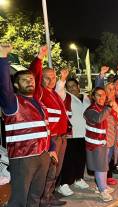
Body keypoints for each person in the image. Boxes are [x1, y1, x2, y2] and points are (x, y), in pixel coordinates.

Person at [0, 45, 53, 206]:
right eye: (24, 80)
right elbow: (3, 86)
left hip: (43, 155)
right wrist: (3, 57)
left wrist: (51, 148)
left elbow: (45, 129)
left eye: (31, 79)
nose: (30, 81)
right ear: (16, 86)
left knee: (35, 197)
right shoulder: (12, 102)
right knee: (19, 200)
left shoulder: (38, 102)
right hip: (23, 157)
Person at [28, 46, 69, 207]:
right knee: (49, 171)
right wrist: (39, 58)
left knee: (55, 171)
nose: (51, 80)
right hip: (50, 138)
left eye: (53, 77)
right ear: (41, 79)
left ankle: (49, 195)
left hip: (61, 136)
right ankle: (44, 200)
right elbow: (34, 75)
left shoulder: (53, 92)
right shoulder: (39, 92)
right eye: (47, 77)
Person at [55, 71, 90, 196]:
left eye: (73, 86)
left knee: (81, 159)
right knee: (68, 160)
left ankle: (78, 179)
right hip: (71, 134)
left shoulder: (86, 97)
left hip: (85, 134)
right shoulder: (66, 97)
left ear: (78, 86)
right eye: (68, 87)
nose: (71, 88)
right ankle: (63, 184)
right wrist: (62, 79)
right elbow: (59, 90)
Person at [83, 87, 116, 202]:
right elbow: (98, 119)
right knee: (100, 167)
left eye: (103, 95)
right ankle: (102, 191)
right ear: (93, 96)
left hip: (106, 141)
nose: (102, 97)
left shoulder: (103, 108)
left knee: (104, 166)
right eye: (98, 95)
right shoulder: (90, 110)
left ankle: (101, 186)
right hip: (96, 144)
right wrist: (108, 107)